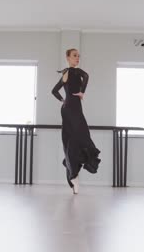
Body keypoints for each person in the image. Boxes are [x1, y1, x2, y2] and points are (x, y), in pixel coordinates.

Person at [51, 48, 101, 194]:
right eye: (74, 56)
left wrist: (63, 100)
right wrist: (82, 92)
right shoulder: (74, 71)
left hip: (68, 109)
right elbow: (87, 76)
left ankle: (74, 175)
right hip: (72, 109)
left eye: (79, 56)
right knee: (81, 138)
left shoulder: (65, 73)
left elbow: (54, 91)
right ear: (68, 57)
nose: (77, 58)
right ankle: (74, 174)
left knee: (73, 140)